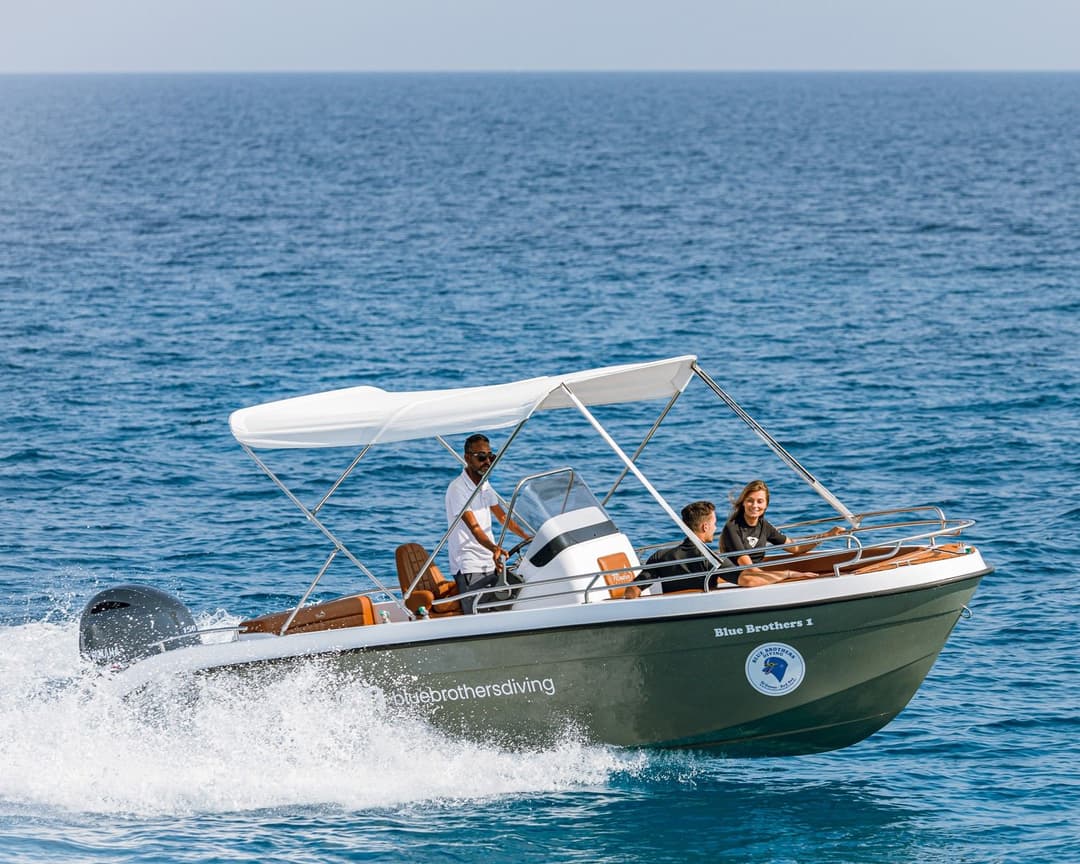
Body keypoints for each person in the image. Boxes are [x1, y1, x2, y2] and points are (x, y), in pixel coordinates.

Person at [445, 433, 529, 613]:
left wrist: (529, 536)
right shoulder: (458, 489)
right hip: (470, 565)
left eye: (491, 456)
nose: (488, 461)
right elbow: (475, 529)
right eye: (481, 457)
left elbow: (503, 518)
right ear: (467, 458)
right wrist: (494, 548)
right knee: (480, 616)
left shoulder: (484, 484)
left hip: (490, 562)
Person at [720, 479, 845, 571]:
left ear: (766, 505)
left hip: (755, 576)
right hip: (738, 579)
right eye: (750, 501)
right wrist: (788, 575)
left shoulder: (764, 526)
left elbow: (795, 548)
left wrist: (826, 536)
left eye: (760, 501)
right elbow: (748, 567)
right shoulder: (732, 528)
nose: (755, 505)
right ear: (743, 503)